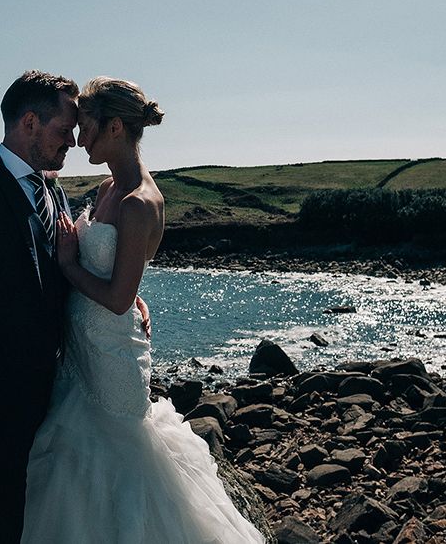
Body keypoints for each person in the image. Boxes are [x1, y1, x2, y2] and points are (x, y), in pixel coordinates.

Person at [20, 77, 264, 543]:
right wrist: (131, 293)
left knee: (119, 464)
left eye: (86, 126)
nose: (78, 137)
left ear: (114, 127)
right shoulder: (107, 186)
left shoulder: (140, 203)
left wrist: (70, 265)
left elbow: (113, 298)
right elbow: (122, 280)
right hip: (79, 352)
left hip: (112, 356)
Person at [0, 71, 149, 544]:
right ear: (30, 122)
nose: (73, 141)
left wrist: (126, 294)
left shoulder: (53, 191)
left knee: (36, 515)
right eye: (65, 129)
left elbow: (55, 273)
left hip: (54, 391)